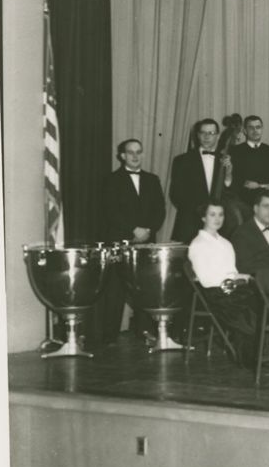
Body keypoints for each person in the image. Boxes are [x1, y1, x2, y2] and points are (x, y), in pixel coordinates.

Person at [97, 138, 167, 345]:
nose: (135, 156)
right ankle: (109, 335)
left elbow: (160, 210)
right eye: (130, 152)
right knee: (116, 287)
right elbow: (110, 211)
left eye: (139, 152)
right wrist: (132, 230)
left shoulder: (152, 179)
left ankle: (145, 331)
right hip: (120, 240)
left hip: (146, 241)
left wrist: (148, 230)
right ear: (122, 156)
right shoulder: (111, 180)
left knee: (144, 287)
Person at [187, 202, 258, 370]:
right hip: (215, 293)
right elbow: (206, 280)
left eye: (221, 214)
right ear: (203, 217)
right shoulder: (197, 245)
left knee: (263, 301)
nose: (217, 219)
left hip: (232, 289)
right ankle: (249, 358)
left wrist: (243, 277)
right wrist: (233, 281)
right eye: (212, 214)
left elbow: (231, 271)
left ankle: (265, 353)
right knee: (248, 310)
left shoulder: (226, 243)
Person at [170, 118, 231, 243]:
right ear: (197, 135)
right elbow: (176, 194)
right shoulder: (182, 160)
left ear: (218, 136)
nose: (207, 136)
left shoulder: (226, 161)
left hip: (219, 225)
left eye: (211, 133)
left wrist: (229, 173)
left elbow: (230, 191)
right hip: (190, 224)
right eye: (203, 133)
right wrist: (201, 213)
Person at [230, 115, 269, 204]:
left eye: (258, 127)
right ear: (245, 131)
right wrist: (244, 183)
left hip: (268, 198)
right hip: (243, 200)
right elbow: (232, 177)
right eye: (251, 128)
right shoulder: (235, 152)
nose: (255, 131)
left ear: (262, 129)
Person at [230, 189, 269, 276]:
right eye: (266, 206)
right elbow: (243, 268)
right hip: (257, 285)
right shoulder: (241, 234)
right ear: (256, 208)